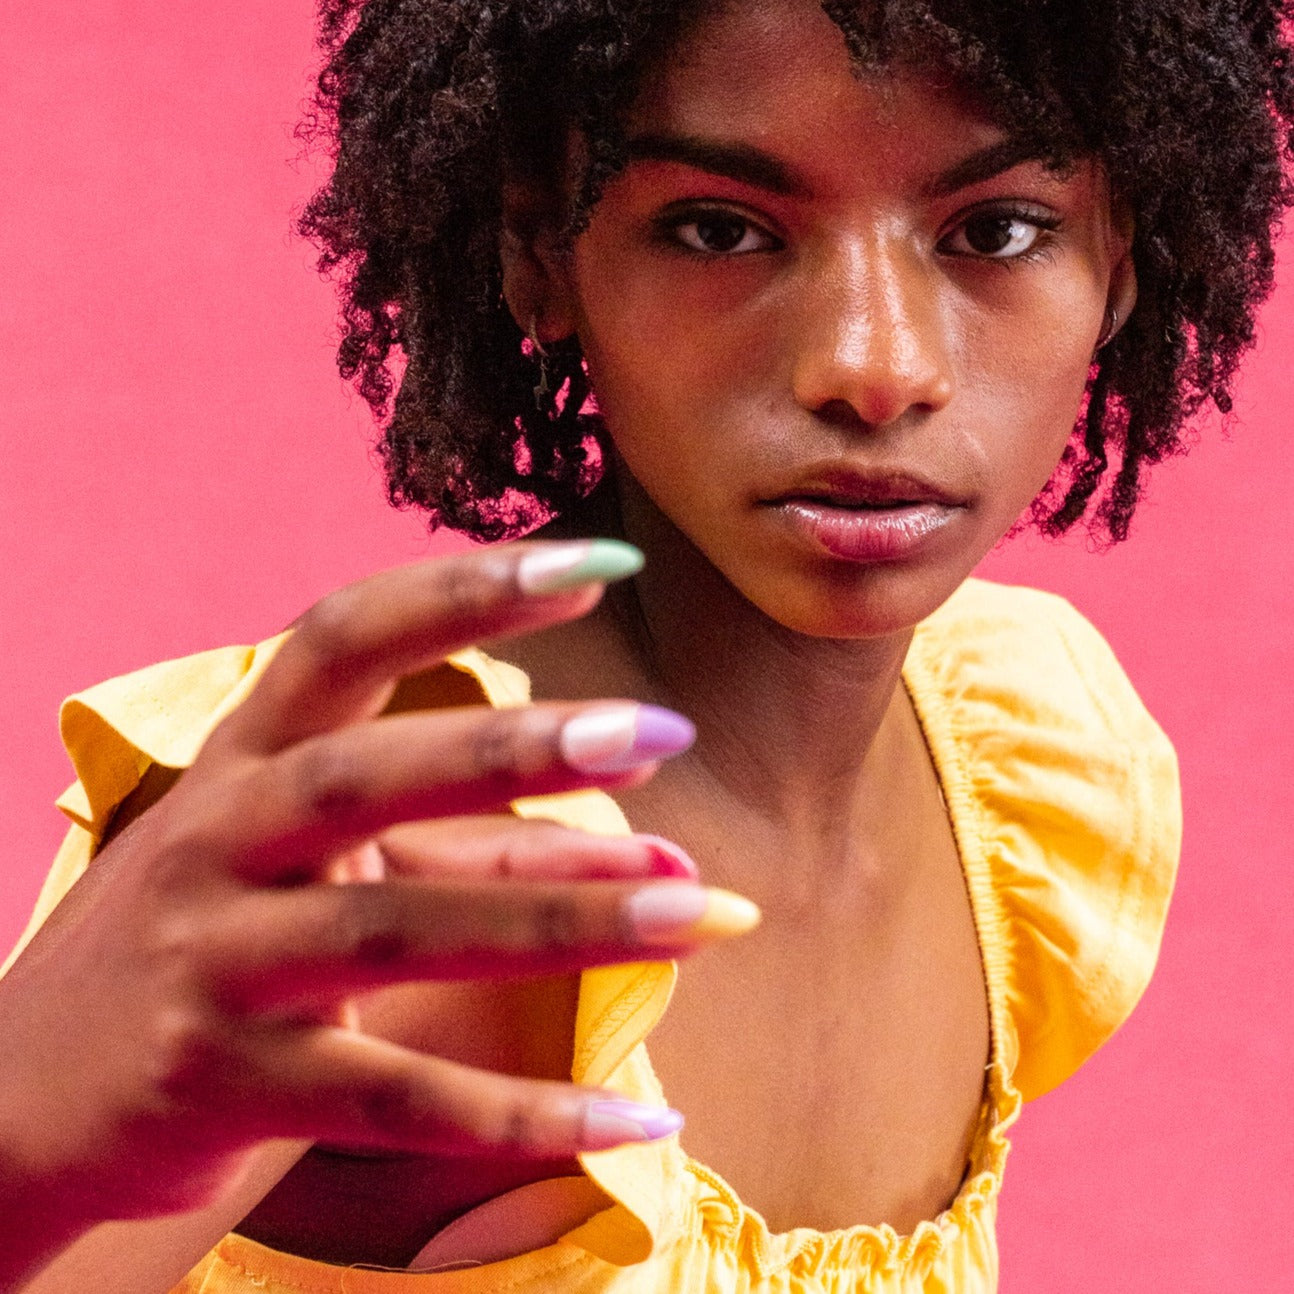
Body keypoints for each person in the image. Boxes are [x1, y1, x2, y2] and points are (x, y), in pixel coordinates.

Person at [2, 0, 1291, 1290]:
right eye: (718, 229)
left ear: (1118, 260)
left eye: (995, 232)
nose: (874, 367)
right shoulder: (400, 847)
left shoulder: (1019, 759)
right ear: (538, 255)